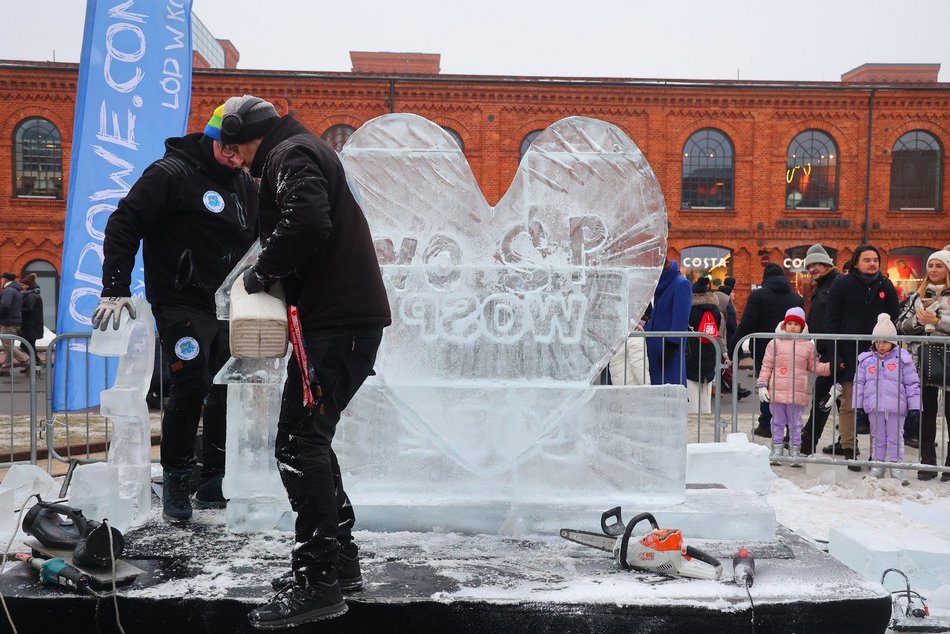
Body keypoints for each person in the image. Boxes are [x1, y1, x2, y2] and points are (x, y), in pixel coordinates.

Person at [217, 95, 391, 628]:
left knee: (299, 443)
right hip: (339, 323)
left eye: (235, 150)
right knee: (310, 440)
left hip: (339, 326)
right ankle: (337, 563)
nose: (237, 162)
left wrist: (260, 271)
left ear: (247, 137)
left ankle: (320, 582)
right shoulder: (300, 148)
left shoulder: (288, 155)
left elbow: (308, 220)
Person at [93, 104, 257, 521]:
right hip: (180, 301)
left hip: (225, 303)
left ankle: (214, 478)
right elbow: (124, 222)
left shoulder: (242, 184)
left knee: (225, 385)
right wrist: (115, 287)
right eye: (229, 149)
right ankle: (178, 480)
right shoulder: (171, 173)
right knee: (193, 382)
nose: (237, 159)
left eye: (241, 152)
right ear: (213, 138)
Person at [823, 244, 900, 470]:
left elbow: (894, 317)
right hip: (848, 352)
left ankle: (876, 453)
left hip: (880, 356)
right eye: (867, 260)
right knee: (848, 404)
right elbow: (832, 320)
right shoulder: (842, 284)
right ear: (856, 262)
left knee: (877, 406)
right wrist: (834, 353)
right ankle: (849, 449)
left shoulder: (885, 284)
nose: (872, 263)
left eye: (875, 259)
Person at [733, 263, 805, 437]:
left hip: (764, 349)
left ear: (765, 278)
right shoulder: (796, 298)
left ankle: (766, 423)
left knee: (766, 385)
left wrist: (735, 346)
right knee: (790, 386)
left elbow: (747, 324)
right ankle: (790, 426)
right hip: (792, 351)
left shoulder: (758, 296)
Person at [897, 248, 950, 481]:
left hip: (948, 360)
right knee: (926, 414)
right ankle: (927, 462)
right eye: (931, 266)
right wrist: (918, 321)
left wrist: (937, 321)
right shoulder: (917, 295)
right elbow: (901, 325)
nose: (934, 270)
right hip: (923, 361)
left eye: (939, 266)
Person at [757, 307, 830, 465]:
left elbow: (814, 366)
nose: (792, 326)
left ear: (802, 327)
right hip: (777, 391)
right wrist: (762, 384)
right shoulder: (774, 343)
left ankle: (795, 450)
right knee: (776, 422)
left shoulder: (808, 346)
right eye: (789, 323)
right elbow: (767, 365)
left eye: (796, 324)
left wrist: (829, 368)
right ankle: (776, 450)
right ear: (784, 324)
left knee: (795, 424)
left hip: (797, 392)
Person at [854, 314, 921, 480]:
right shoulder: (866, 360)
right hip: (874, 406)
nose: (881, 345)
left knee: (895, 437)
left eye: (885, 341)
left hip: (896, 407)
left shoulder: (903, 359)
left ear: (893, 342)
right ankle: (878, 465)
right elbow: (859, 384)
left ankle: (896, 466)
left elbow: (912, 384)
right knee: (878, 437)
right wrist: (859, 406)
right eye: (877, 341)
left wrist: (914, 407)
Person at [798, 244, 840, 455]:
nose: (813, 269)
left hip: (837, 349)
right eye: (810, 266)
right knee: (838, 398)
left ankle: (807, 443)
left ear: (827, 265)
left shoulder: (837, 283)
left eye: (818, 264)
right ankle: (847, 443)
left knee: (825, 396)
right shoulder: (820, 286)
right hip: (826, 348)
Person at [645, 259, 692, 386]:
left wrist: (671, 346)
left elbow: (680, 320)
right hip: (656, 348)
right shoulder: (662, 285)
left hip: (668, 351)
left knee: (671, 393)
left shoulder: (681, 284)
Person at [685, 277, 726, 413]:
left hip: (692, 354)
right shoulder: (716, 311)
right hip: (710, 354)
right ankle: (706, 417)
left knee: (692, 391)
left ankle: (693, 420)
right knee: (706, 391)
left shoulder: (689, 311)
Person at [0, 272, 30, 374]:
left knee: (7, 345)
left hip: (9, 322)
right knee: (9, 345)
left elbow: (5, 306)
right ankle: (5, 368)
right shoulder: (17, 290)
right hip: (15, 321)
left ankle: (27, 360)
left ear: (5, 280)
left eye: (1, 279)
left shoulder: (8, 290)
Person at [17, 273, 44, 370]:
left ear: (28, 285)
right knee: (29, 346)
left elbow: (29, 310)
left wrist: (19, 310)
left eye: (23, 285)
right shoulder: (32, 294)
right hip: (32, 325)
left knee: (26, 345)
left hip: (31, 326)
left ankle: (36, 363)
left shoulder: (31, 296)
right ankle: (34, 364)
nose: (22, 287)